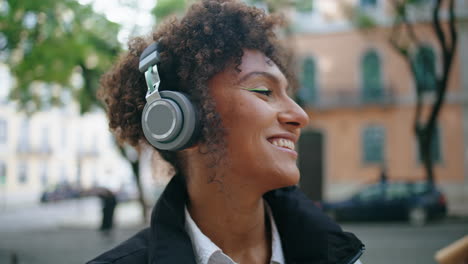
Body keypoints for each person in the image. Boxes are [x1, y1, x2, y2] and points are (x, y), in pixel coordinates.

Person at [88, 0, 365, 263]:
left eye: (288, 94)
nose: (300, 116)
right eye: (263, 91)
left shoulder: (340, 256)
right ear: (177, 121)